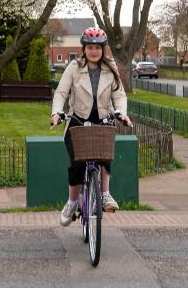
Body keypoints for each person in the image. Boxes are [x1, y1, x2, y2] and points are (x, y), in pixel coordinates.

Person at [51, 27, 132, 226]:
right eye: (90, 47)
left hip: (102, 120)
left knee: (105, 156)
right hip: (77, 121)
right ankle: (71, 203)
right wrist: (56, 112)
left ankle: (104, 195)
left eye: (97, 47)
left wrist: (121, 112)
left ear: (103, 49)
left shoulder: (111, 68)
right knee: (78, 164)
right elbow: (61, 92)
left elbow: (119, 95)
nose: (94, 51)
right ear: (84, 49)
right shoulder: (74, 67)